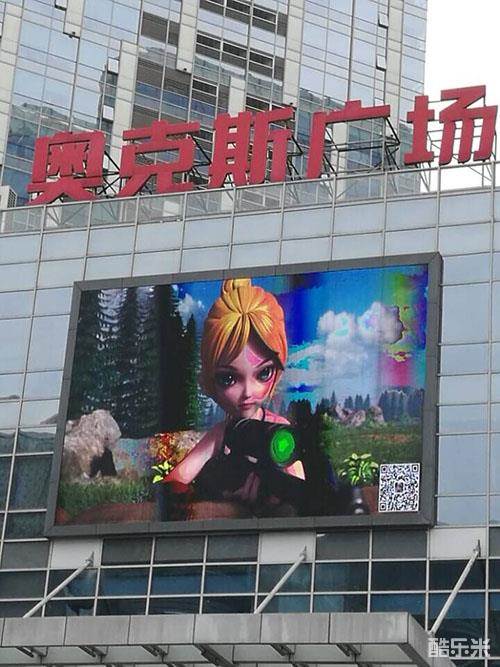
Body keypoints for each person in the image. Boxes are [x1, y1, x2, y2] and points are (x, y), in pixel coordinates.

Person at [164, 278, 305, 516]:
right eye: (228, 378)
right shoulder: (223, 435)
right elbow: (174, 483)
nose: (248, 392)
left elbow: (300, 488)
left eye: (263, 373)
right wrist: (221, 498)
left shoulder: (278, 432)